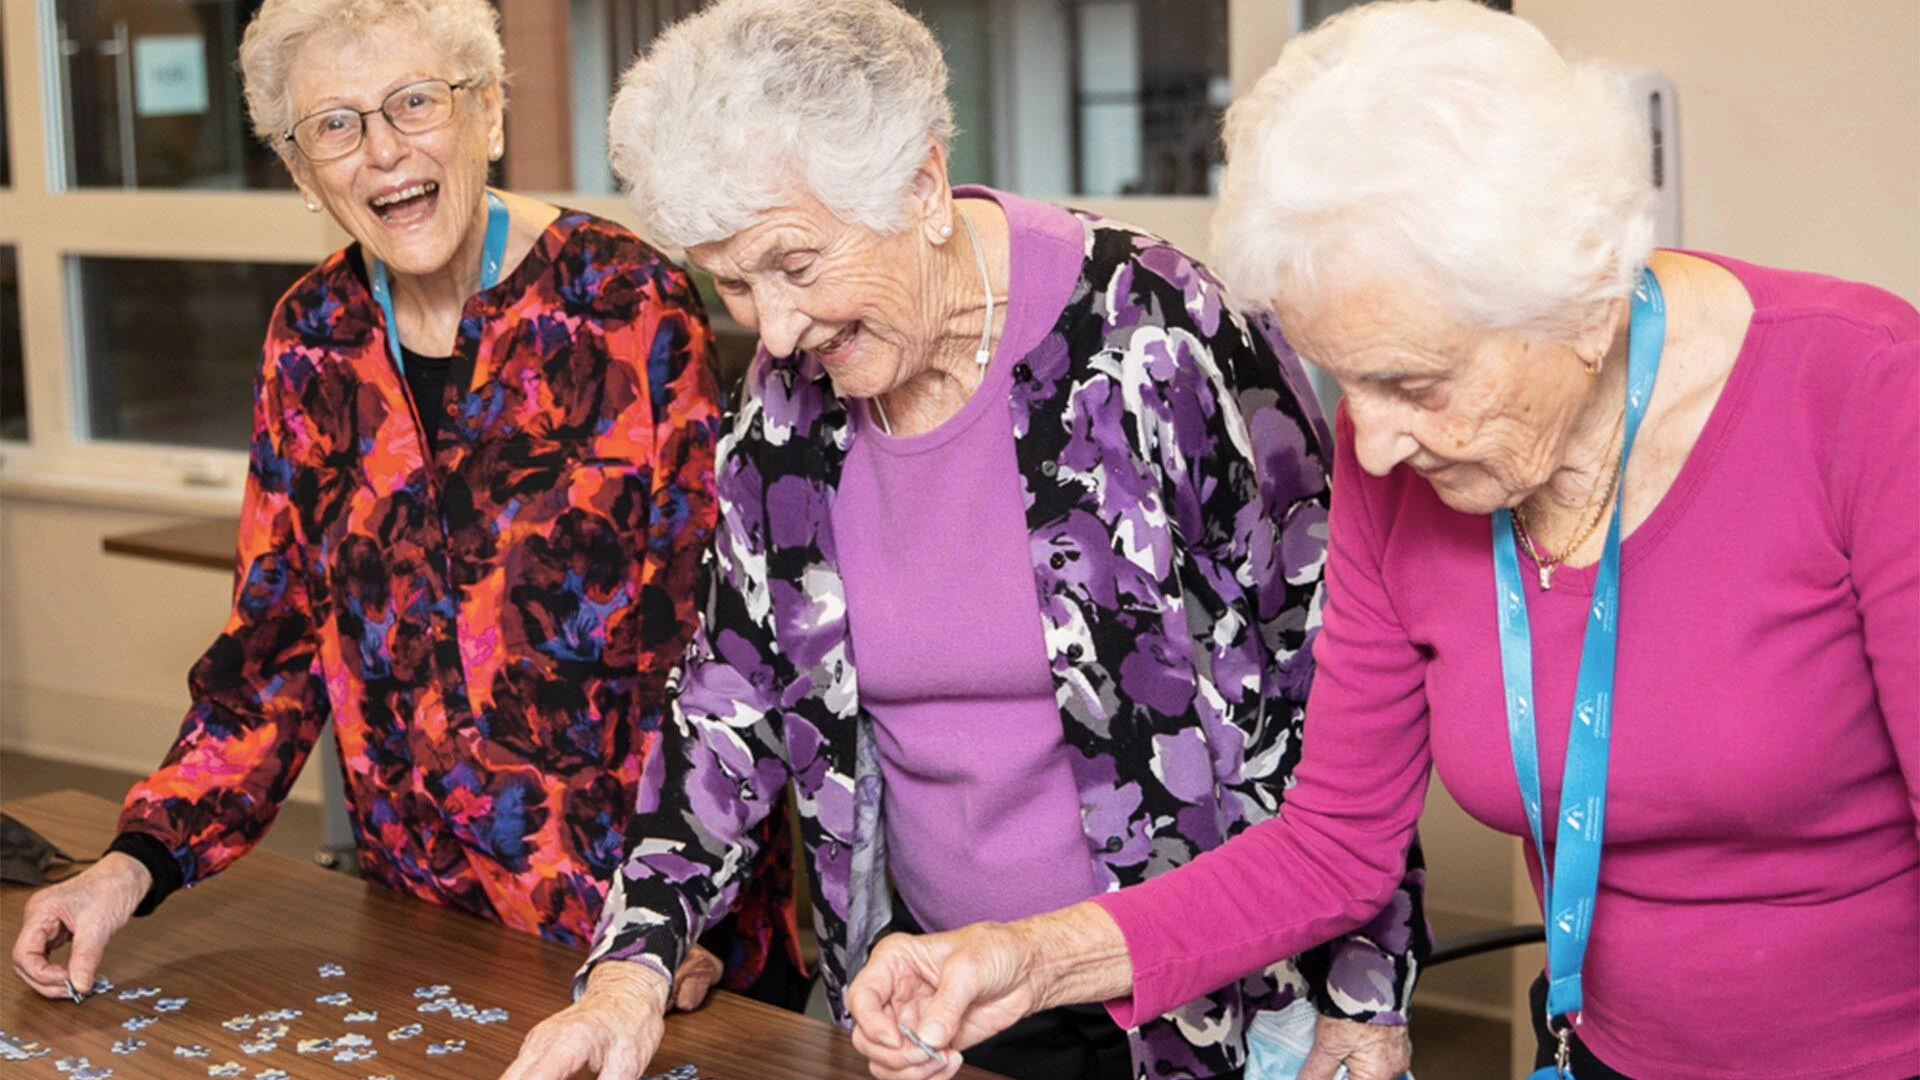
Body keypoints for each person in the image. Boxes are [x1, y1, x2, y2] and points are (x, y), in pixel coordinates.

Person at [848, 2, 1920, 1079]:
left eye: (1414, 381)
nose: (1375, 442)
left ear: (1585, 303)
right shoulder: (1392, 455)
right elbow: (1331, 850)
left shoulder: (1864, 396)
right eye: (1346, 380)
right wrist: (1023, 961)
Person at [503, 2, 1429, 1079]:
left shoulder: (1160, 335)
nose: (774, 327)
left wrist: (1367, 996)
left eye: (792, 264)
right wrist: (633, 970)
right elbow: (731, 702)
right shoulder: (785, 411)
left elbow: (1338, 673)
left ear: (923, 188)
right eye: (733, 280)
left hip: (1216, 1005)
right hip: (943, 1004)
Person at [9, 0, 800, 1015]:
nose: (383, 150)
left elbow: (729, 653)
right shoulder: (311, 341)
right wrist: (132, 864)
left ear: (491, 115)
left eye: (415, 101)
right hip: (434, 935)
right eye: (334, 124)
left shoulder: (630, 307)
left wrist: (674, 924)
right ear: (302, 171)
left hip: (654, 945)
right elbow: (274, 651)